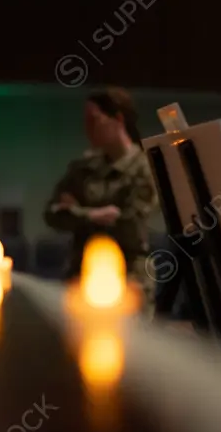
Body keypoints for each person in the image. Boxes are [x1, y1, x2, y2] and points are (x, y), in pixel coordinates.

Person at [44, 87, 160, 312]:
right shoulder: (83, 167)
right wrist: (95, 214)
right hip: (82, 274)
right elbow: (52, 213)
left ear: (117, 119)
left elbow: (129, 221)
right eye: (86, 122)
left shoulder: (144, 167)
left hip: (128, 276)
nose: (88, 129)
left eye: (94, 120)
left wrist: (77, 211)